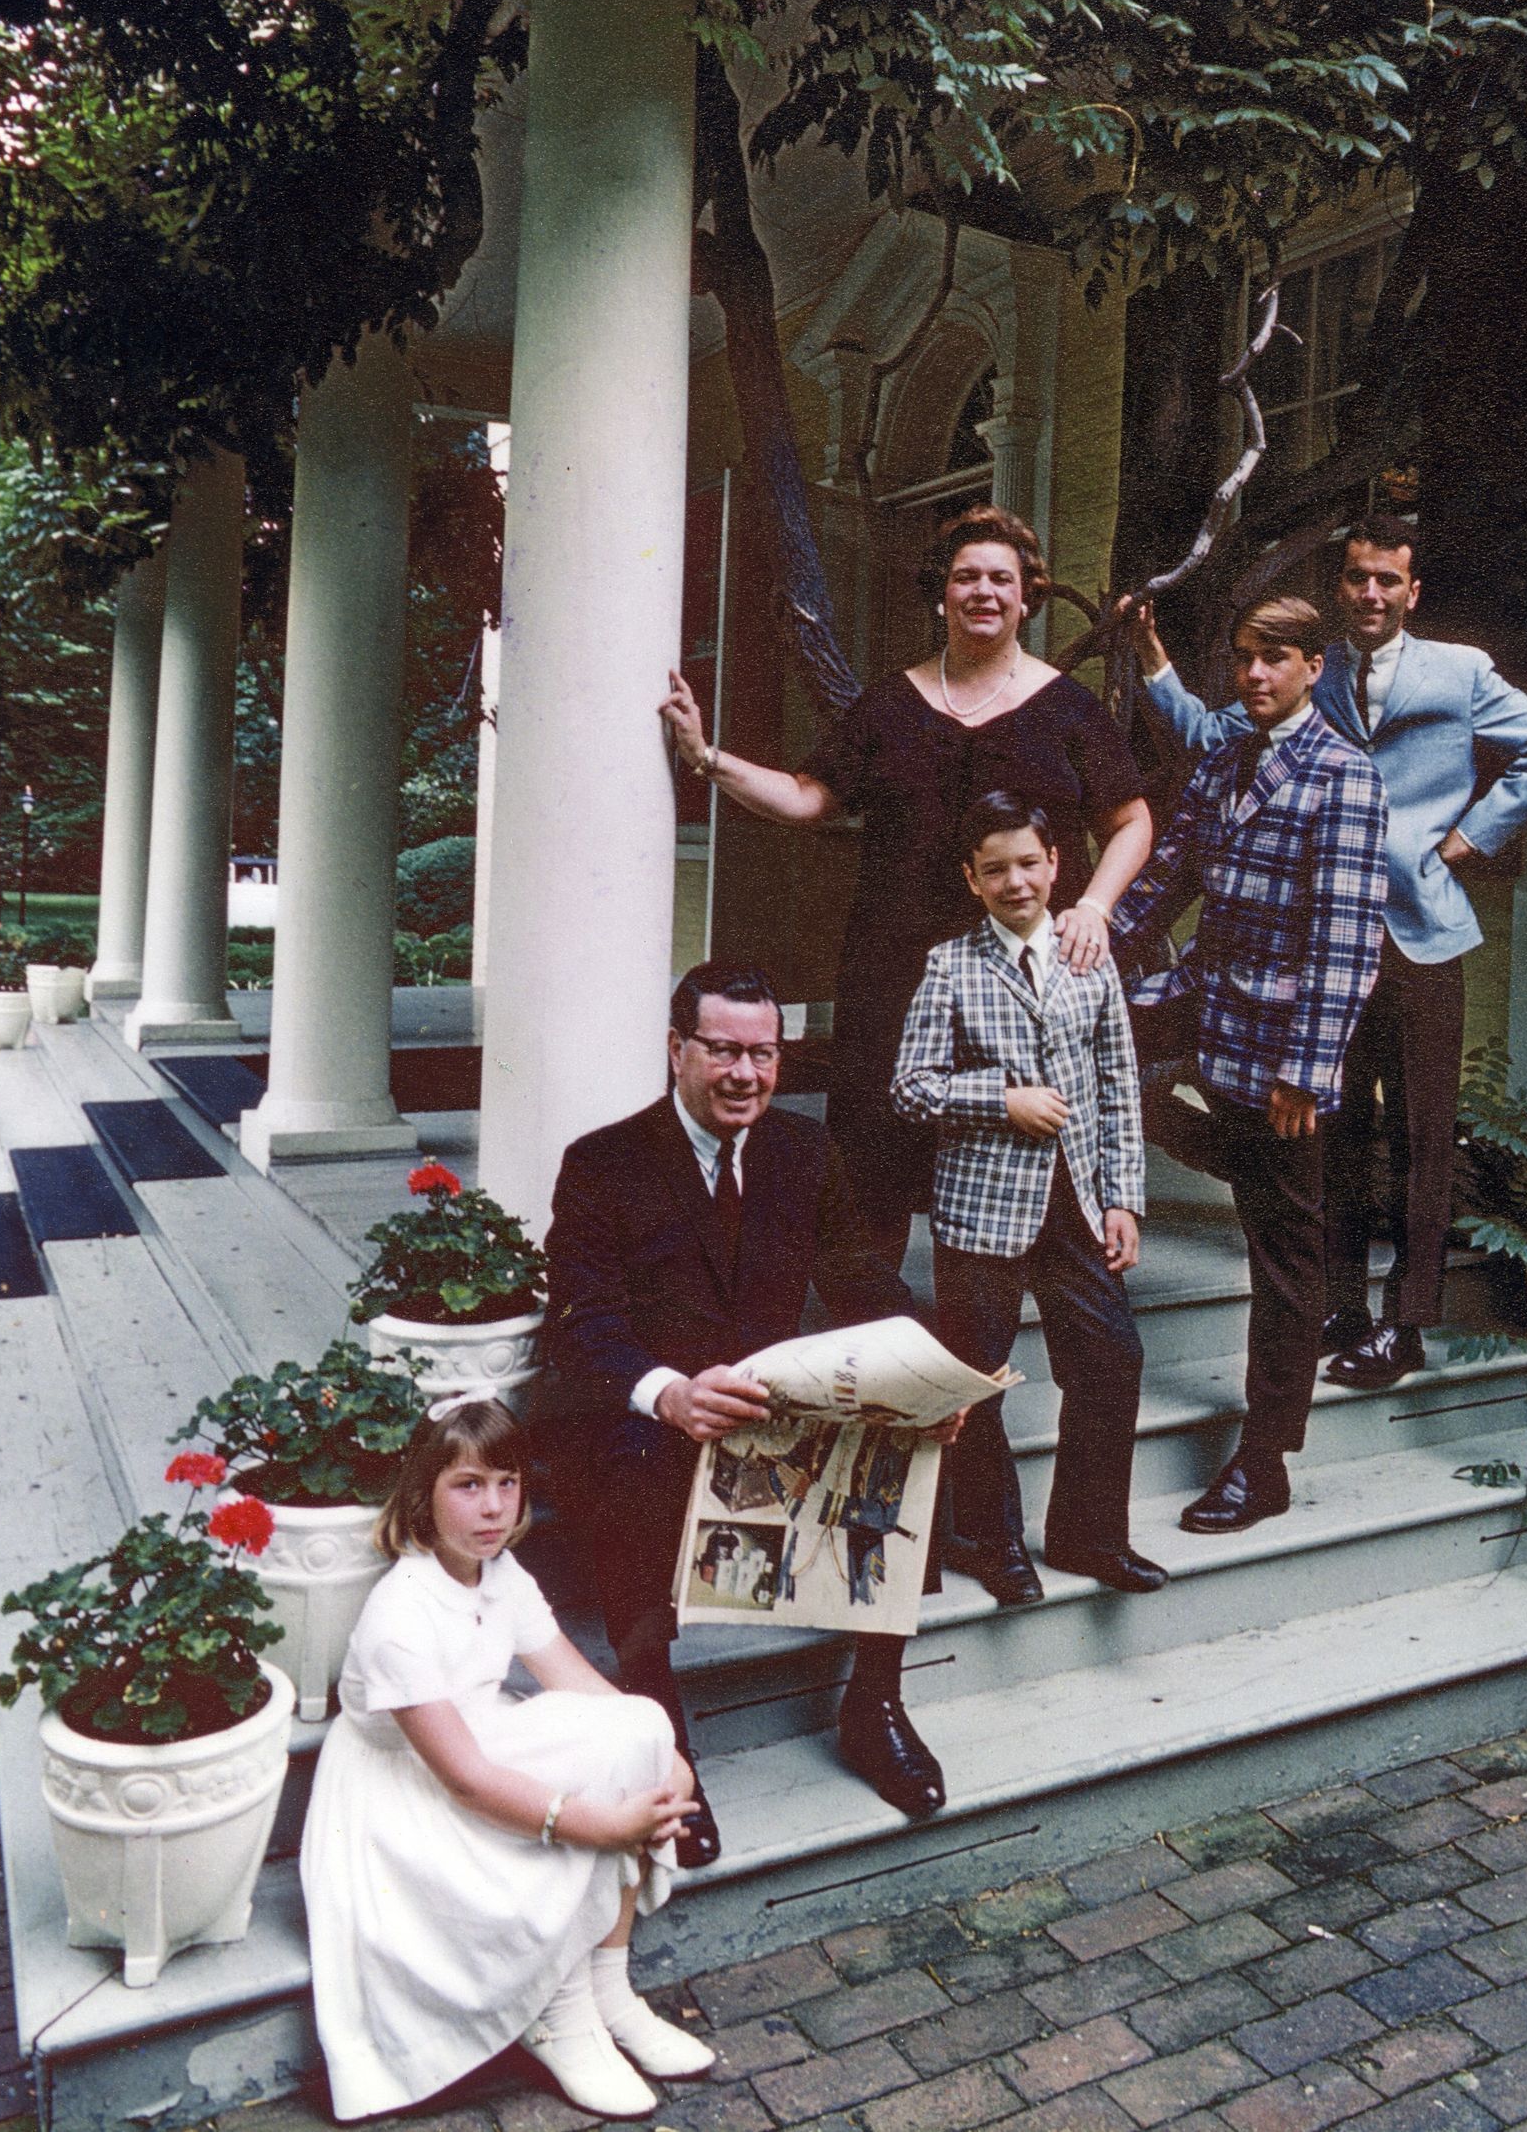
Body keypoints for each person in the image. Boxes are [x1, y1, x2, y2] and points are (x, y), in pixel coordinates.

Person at [1128, 513, 1527, 1388]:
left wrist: (1466, 841)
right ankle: (1341, 1304)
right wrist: (1152, 661)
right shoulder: (1311, 668)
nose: (1371, 594)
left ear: (1413, 593)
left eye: (1388, 581)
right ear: (1341, 588)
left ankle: (1406, 1325)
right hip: (1319, 943)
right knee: (1330, 1123)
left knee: (1419, 1131)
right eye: (1358, 578)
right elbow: (1207, 735)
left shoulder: (1460, 672)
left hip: (1416, 929)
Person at [539, 959, 965, 1869]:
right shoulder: (604, 1162)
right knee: (620, 1458)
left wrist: (931, 1380)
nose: (745, 1074)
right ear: (676, 1050)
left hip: (767, 1413)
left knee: (907, 1442)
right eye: (724, 1050)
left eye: (763, 1054)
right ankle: (663, 1739)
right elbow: (582, 1328)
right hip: (649, 1416)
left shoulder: (807, 1153)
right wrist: (670, 1392)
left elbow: (865, 1284)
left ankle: (873, 1704)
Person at [660, 503, 1154, 1265]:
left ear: (1028, 597)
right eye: (965, 578)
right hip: (894, 970)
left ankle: (983, 1331)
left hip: (1023, 980)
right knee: (872, 1169)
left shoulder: (1069, 708)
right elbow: (806, 795)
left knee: (1029, 1154)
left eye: (1001, 578)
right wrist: (705, 757)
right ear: (941, 595)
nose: (983, 592)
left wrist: (1094, 905)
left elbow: (1133, 820)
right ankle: (871, 1332)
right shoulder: (891, 703)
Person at [299, 1399, 708, 2125]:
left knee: (637, 1724)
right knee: (566, 1808)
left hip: (481, 1737)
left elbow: (580, 1683)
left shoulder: (503, 1573)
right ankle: (559, 2013)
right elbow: (466, 1778)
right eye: (467, 1485)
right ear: (423, 1491)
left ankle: (609, 1987)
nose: (492, 1507)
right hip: (405, 1786)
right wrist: (591, 1823)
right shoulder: (401, 1614)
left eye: (508, 1483)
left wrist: (668, 1758)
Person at [1111, 597, 1388, 1535]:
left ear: (1316, 666)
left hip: (1284, 1053)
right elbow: (1166, 873)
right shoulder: (1225, 760)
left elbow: (1347, 941)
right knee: (1112, 1080)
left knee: (1282, 1253)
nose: (1255, 676)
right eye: (1243, 659)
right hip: (1206, 1009)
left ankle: (1263, 1458)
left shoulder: (1345, 777)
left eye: (1275, 660)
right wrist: (1078, 940)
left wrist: (1308, 1070)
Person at [892, 792, 1162, 1605]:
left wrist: (1124, 1198)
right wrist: (997, 1099)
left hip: (1075, 1201)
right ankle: (988, 1538)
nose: (1017, 881)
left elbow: (1119, 1082)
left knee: (1112, 1360)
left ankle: (1088, 1533)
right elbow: (910, 1087)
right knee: (977, 1378)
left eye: (1030, 862)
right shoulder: (951, 966)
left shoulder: (1089, 955)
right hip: (982, 1208)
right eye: (996, 868)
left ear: (1056, 865)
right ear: (971, 879)